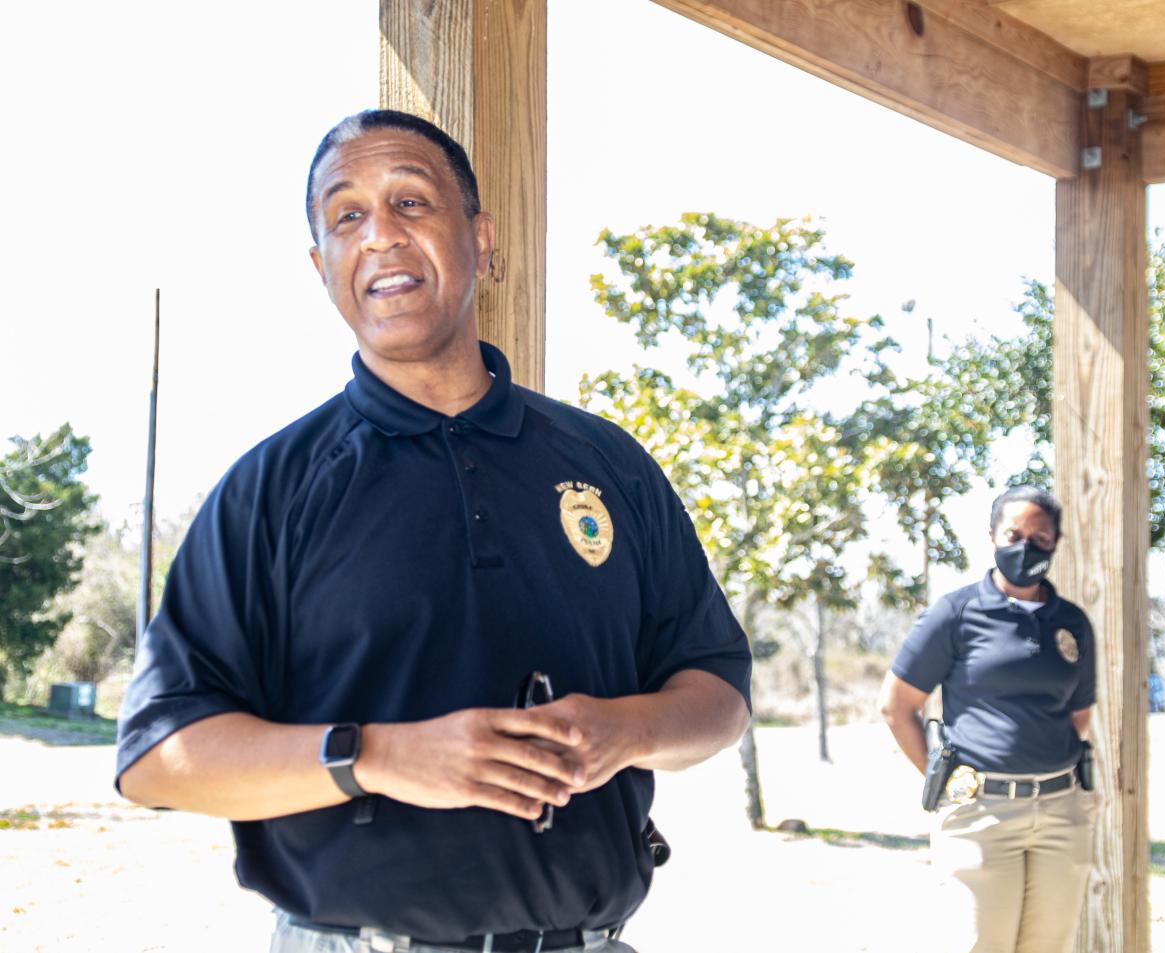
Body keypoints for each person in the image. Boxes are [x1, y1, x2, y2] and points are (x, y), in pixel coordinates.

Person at [116, 109, 752, 953]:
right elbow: (160, 758)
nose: (379, 234)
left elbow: (718, 694)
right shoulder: (269, 490)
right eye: (346, 216)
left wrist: (624, 729)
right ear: (323, 266)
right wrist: (375, 756)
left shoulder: (609, 464)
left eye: (411, 202)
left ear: (480, 238)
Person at [879, 485, 1097, 953]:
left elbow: (1078, 715)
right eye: (1013, 533)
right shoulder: (955, 614)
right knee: (980, 944)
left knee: (1050, 945)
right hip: (980, 815)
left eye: (1040, 537)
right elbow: (897, 707)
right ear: (992, 536)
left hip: (1061, 811)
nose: (1026, 547)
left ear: (1056, 542)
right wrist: (951, 783)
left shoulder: (1072, 623)